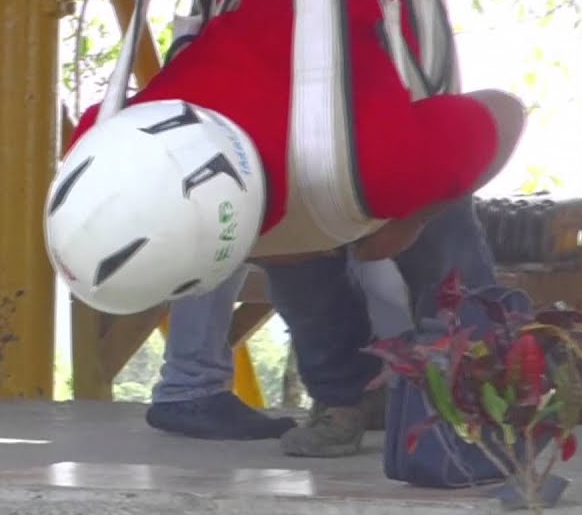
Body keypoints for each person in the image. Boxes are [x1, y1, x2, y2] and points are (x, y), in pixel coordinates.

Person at [48, 0, 524, 316]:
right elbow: (506, 114)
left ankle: (377, 376)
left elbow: (506, 113)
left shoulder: (380, 174)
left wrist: (412, 216)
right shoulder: (101, 139)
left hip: (343, 138)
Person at [148, 195, 498, 457]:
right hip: (303, 135)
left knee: (442, 233)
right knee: (297, 254)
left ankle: (479, 393)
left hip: (403, 127)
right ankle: (342, 400)